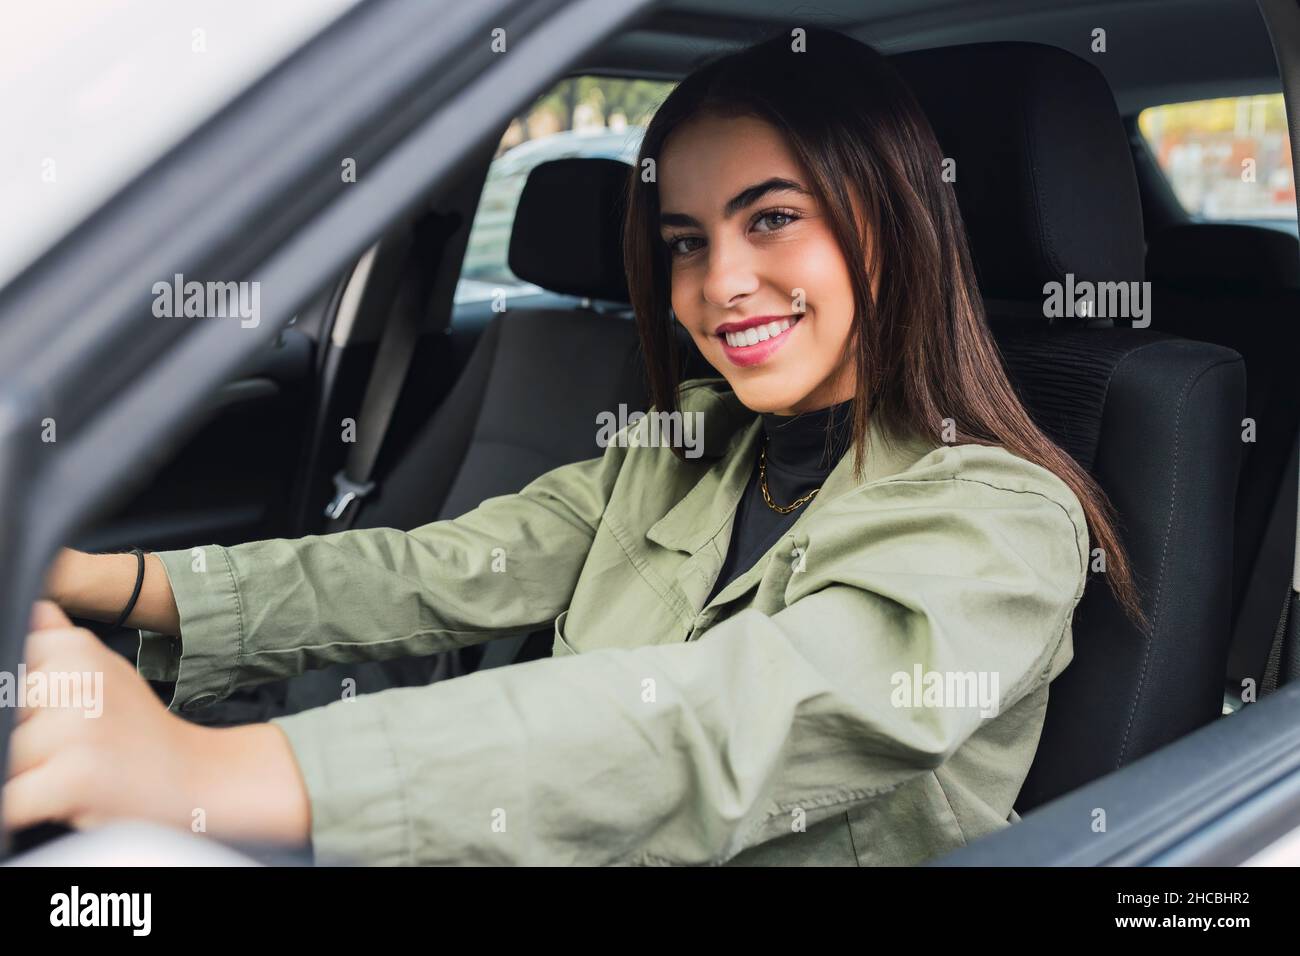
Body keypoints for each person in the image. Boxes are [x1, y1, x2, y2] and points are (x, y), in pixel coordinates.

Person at [6, 25, 1148, 866]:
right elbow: (437, 567)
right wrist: (105, 580)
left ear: (890, 224)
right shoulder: (687, 443)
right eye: (685, 241)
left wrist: (216, 773)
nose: (720, 283)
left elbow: (714, 722)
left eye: (772, 218)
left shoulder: (1001, 521)